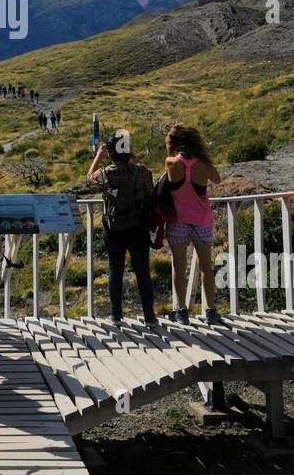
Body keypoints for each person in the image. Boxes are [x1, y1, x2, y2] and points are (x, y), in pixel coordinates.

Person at [88, 131, 158, 329]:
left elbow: (89, 180)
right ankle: (150, 316)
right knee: (142, 270)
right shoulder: (140, 171)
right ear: (127, 151)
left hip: (114, 229)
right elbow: (150, 188)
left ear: (110, 153)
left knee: (114, 269)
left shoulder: (105, 174)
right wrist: (133, 156)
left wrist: (98, 157)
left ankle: (116, 315)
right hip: (139, 226)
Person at [164, 124, 224, 325]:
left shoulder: (171, 163)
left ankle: (181, 311)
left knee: (179, 267)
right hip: (201, 220)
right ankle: (211, 310)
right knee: (206, 267)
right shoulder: (204, 164)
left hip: (178, 221)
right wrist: (206, 159)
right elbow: (217, 180)